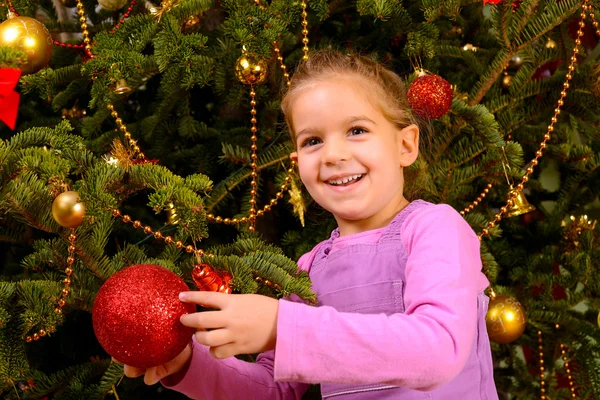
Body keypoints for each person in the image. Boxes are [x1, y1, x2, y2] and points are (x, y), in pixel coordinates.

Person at [118, 50, 498, 399]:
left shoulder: (435, 229)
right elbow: (273, 392)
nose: (333, 154)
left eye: (357, 130)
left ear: (405, 145)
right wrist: (187, 363)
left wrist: (284, 327)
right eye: (314, 140)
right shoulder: (311, 269)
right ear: (297, 162)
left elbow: (438, 350)